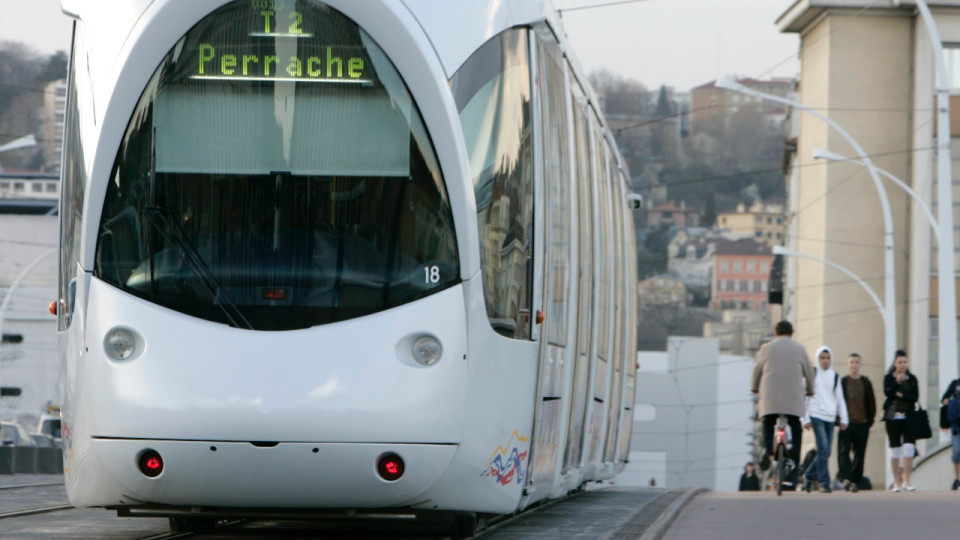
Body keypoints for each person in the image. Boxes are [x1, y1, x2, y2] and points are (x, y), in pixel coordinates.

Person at [751, 320, 816, 488]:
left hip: (770, 398)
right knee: (795, 426)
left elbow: (757, 370)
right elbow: (809, 371)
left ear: (775, 333)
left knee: (768, 422)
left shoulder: (765, 348)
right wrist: (810, 389)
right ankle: (794, 462)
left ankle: (768, 450)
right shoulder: (800, 349)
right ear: (792, 333)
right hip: (793, 398)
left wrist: (754, 388)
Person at [801, 346, 848, 493]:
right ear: (818, 359)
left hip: (830, 416)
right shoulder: (812, 374)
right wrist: (804, 418)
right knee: (822, 448)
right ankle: (823, 482)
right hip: (816, 415)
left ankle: (808, 475)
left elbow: (840, 399)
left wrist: (844, 418)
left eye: (827, 358)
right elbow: (804, 398)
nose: (825, 361)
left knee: (826, 451)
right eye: (822, 358)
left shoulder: (835, 377)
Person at [837, 352, 876, 493]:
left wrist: (869, 420)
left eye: (856, 362)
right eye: (851, 362)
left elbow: (871, 402)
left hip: (862, 423)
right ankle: (846, 478)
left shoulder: (865, 382)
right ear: (848, 364)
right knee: (843, 451)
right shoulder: (843, 382)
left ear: (860, 364)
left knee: (860, 453)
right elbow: (838, 402)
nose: (854, 365)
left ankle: (856, 479)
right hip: (846, 423)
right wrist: (839, 419)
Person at [882, 349, 919, 492]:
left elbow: (914, 397)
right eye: (900, 362)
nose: (903, 365)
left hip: (909, 417)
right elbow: (888, 393)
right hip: (893, 417)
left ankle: (907, 481)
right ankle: (896, 482)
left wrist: (900, 395)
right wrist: (897, 383)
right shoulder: (889, 378)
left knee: (909, 448)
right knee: (895, 450)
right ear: (895, 364)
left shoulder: (913, 379)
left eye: (905, 362)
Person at [941, 376, 960, 490]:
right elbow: (944, 399)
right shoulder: (955, 383)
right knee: (956, 452)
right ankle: (957, 478)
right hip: (956, 423)